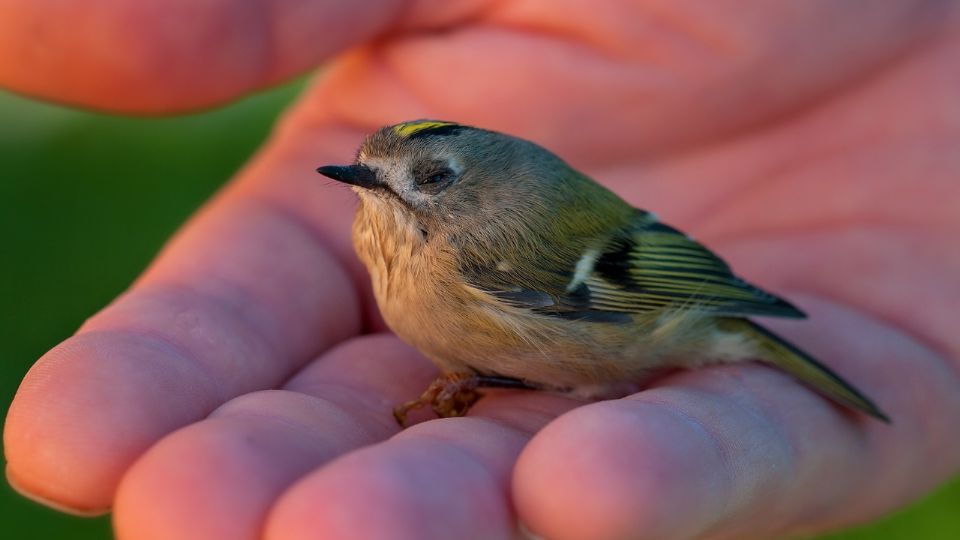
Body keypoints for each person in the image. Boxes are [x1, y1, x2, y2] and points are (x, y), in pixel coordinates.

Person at [3, 1, 958, 539]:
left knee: (603, 458)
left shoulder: (482, 250)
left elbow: (640, 269)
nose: (379, 189)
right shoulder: (409, 247)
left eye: (426, 179)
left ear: (475, 187)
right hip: (622, 262)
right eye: (371, 173)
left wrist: (725, 310)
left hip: (660, 308)